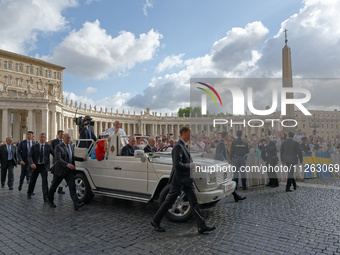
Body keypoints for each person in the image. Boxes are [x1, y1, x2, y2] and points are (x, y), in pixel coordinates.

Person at [151, 126, 216, 234]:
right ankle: (155, 220)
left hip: (186, 179)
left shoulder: (183, 145)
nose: (191, 135)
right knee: (169, 201)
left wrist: (194, 165)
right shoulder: (178, 146)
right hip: (179, 179)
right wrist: (190, 165)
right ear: (184, 133)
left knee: (194, 202)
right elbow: (177, 165)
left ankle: (201, 226)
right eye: (190, 133)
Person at [48, 133, 86, 210]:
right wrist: (68, 164)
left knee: (72, 186)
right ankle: (50, 200)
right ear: (64, 138)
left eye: (70, 138)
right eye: (67, 138)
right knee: (54, 187)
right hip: (59, 170)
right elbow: (58, 159)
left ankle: (76, 204)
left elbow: (72, 157)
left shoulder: (71, 146)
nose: (69, 139)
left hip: (68, 171)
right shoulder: (58, 147)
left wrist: (82, 159)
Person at [215, 131, 246, 202]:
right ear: (225, 136)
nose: (229, 137)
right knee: (227, 180)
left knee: (228, 181)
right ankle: (236, 196)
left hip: (223, 164)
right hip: (222, 164)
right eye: (228, 135)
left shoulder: (222, 142)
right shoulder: (221, 143)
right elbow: (219, 153)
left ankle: (236, 196)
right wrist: (224, 160)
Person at [27, 133, 54, 201]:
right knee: (32, 181)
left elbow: (54, 154)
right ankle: (29, 193)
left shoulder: (48, 146)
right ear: (39, 138)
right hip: (35, 166)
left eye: (44, 137)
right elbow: (29, 155)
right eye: (41, 137)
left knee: (45, 182)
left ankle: (45, 196)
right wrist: (32, 163)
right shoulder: (34, 146)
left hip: (44, 166)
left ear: (46, 138)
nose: (42, 139)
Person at [51, 130, 65, 194]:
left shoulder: (64, 141)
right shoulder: (54, 141)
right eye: (61, 134)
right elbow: (51, 150)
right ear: (58, 134)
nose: (62, 135)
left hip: (63, 160)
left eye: (63, 134)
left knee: (62, 175)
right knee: (55, 176)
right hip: (56, 161)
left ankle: (60, 189)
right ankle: (52, 189)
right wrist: (57, 155)